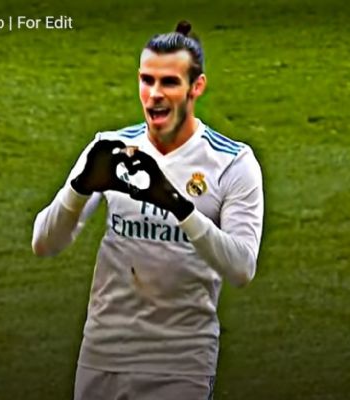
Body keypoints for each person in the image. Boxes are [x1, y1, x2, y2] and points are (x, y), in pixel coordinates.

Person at [31, 20, 264, 400]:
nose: (154, 94)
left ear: (196, 86)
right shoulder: (111, 148)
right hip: (102, 356)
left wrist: (177, 205)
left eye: (169, 82)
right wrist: (79, 188)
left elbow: (241, 269)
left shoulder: (232, 163)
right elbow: (44, 243)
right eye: (146, 80)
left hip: (181, 363)